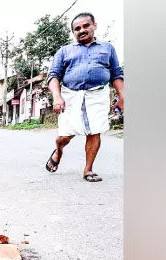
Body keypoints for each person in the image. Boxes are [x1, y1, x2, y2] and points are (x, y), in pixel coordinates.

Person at [45, 12, 124, 182]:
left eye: (86, 26)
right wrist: (57, 97)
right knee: (64, 136)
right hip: (70, 96)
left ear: (94, 25)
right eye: (77, 28)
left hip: (98, 95)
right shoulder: (64, 51)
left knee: (94, 131)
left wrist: (122, 95)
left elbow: (116, 73)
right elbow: (53, 76)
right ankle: (58, 151)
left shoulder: (107, 48)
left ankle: (88, 170)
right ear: (73, 32)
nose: (82, 30)